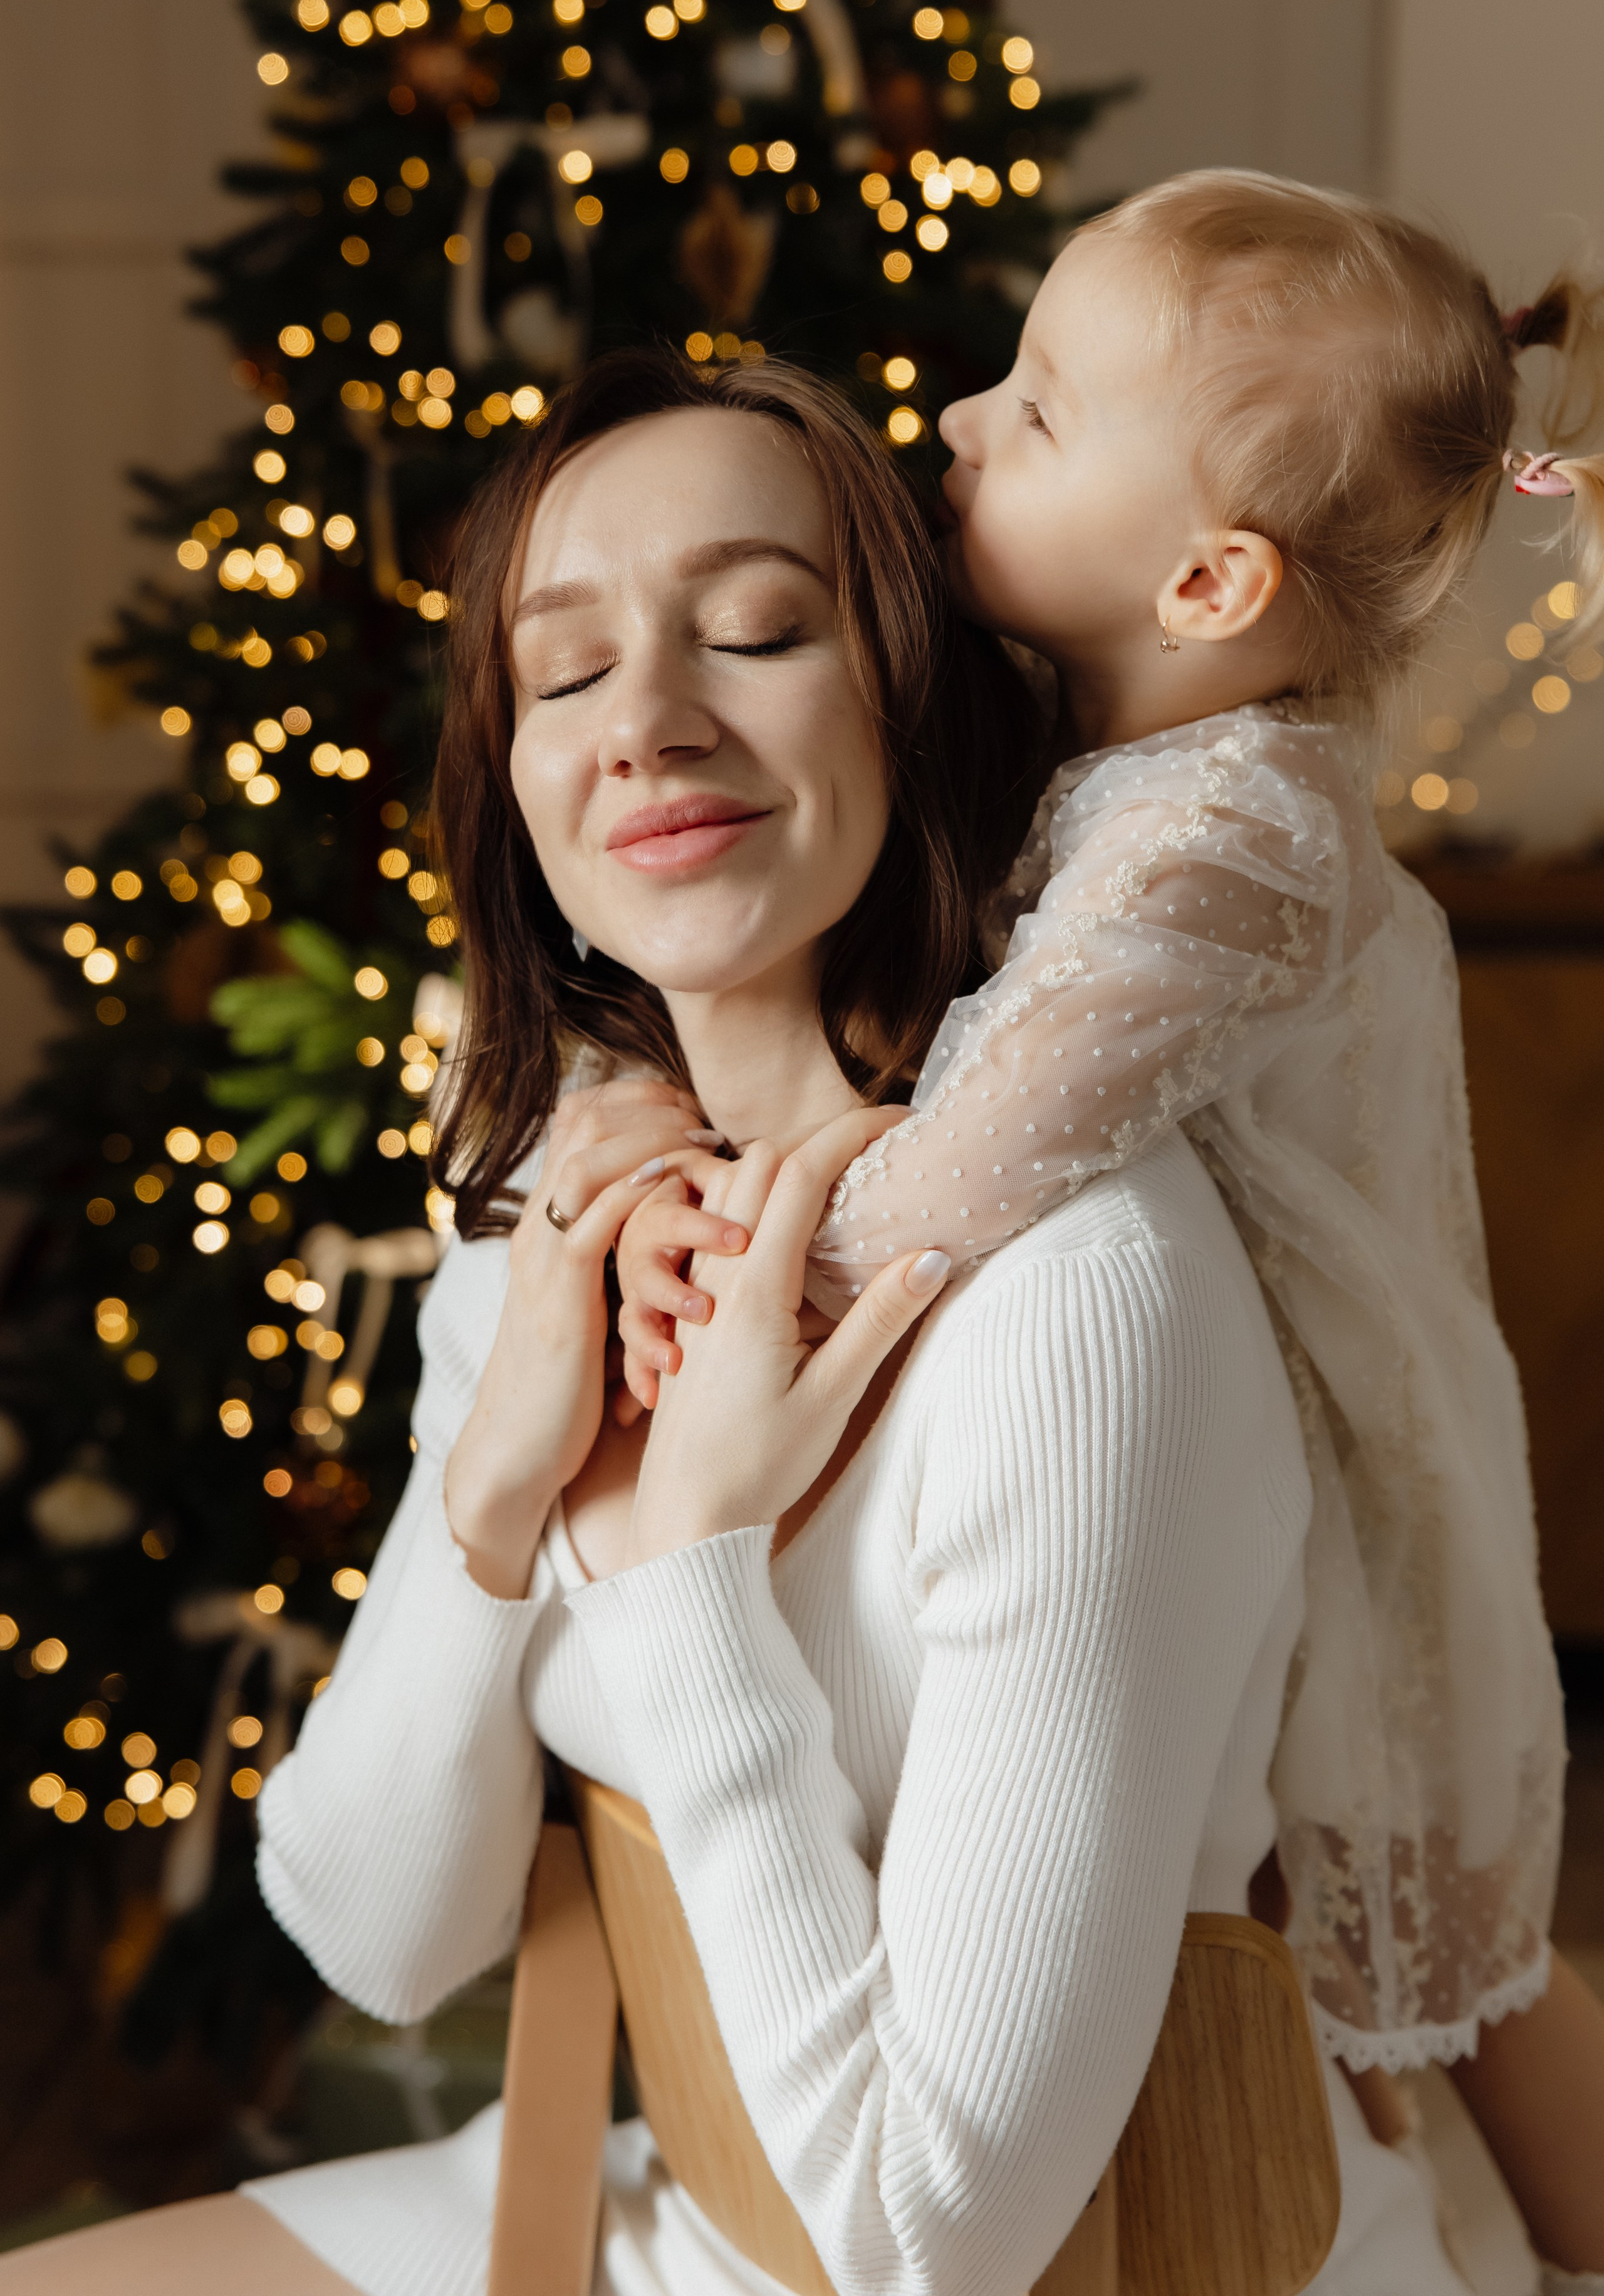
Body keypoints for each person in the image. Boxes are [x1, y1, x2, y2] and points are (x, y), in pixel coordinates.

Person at [1, 350, 1484, 2295]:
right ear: (514, 778)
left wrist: (683, 1567)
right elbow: (378, 1938)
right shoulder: (565, 1219)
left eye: (758, 629)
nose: (648, 724)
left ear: (914, 692)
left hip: (1109, 2263)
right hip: (680, 2215)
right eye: (562, 670)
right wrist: (501, 1487)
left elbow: (929, 2237)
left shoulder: (1079, 1297)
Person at [615, 175, 1604, 2287]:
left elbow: (969, 1169)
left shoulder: (1232, 838)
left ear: (1213, 575)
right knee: (1354, 1896)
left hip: (1346, 1414)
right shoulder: (1118, 743)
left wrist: (751, 1257)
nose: (960, 419)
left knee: (1439, 1887)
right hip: (1251, 1377)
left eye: (1039, 411)